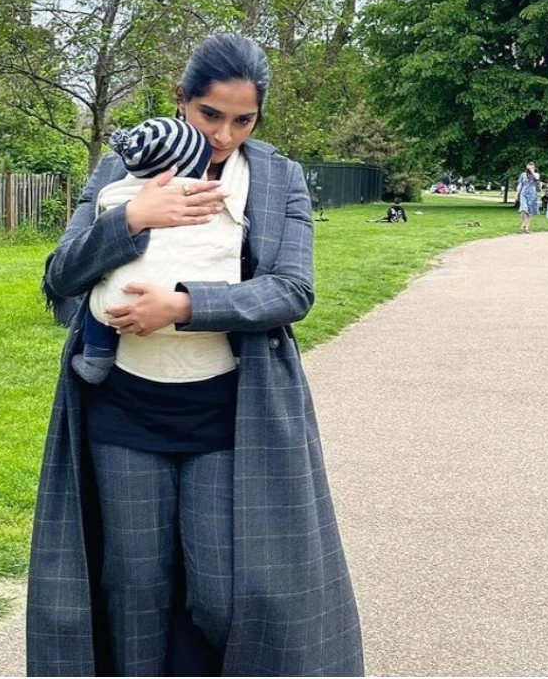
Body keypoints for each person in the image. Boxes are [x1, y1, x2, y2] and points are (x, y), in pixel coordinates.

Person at [32, 33, 364, 677]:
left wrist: (183, 307)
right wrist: (131, 218)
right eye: (211, 115)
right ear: (181, 100)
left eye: (244, 120)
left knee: (223, 591)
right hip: (123, 411)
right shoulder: (119, 169)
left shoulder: (277, 176)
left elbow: (291, 290)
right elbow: (60, 275)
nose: (225, 135)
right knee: (134, 590)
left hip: (229, 415)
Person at [70, 117, 220, 385]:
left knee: (100, 302)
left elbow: (96, 218)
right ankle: (240, 350)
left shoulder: (115, 192)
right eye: (211, 115)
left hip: (120, 299)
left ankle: (97, 357)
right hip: (190, 292)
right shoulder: (205, 194)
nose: (224, 137)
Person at [517, 162, 540, 233]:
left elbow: (537, 178)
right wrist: (517, 194)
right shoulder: (523, 175)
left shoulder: (536, 174)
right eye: (530, 167)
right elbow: (520, 184)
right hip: (524, 193)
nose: (531, 168)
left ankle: (526, 227)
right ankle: (524, 223)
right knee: (523, 209)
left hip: (532, 193)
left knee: (530, 211)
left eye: (533, 167)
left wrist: (532, 171)